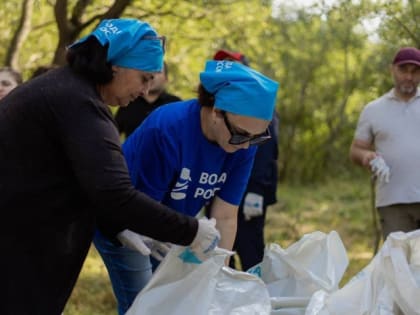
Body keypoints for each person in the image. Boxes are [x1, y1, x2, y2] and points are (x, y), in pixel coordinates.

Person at [0, 18, 220, 315]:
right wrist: (193, 231)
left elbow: (82, 178)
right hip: (19, 249)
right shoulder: (79, 103)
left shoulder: (65, 89)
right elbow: (115, 193)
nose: (145, 91)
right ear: (116, 64)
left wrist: (114, 226)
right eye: (144, 78)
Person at [93, 59, 280, 314]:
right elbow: (144, 212)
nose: (246, 146)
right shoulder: (167, 129)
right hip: (125, 225)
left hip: (171, 226)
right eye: (242, 135)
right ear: (215, 110)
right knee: (143, 301)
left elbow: (225, 215)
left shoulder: (243, 142)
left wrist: (220, 272)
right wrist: (182, 235)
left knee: (184, 298)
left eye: (257, 137)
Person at [211, 49, 279, 271]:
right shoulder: (215, 112)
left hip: (250, 189)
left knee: (249, 248)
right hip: (219, 187)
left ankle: (255, 296)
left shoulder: (258, 105)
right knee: (221, 248)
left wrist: (257, 190)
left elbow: (266, 151)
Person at [349, 46, 420, 241]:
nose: (409, 77)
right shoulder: (373, 110)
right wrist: (366, 156)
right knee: (399, 265)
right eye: (403, 70)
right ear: (392, 70)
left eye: (415, 71)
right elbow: (356, 149)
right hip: (392, 202)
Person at [115, 61, 182, 138]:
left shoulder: (175, 104)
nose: (153, 76)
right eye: (150, 71)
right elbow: (113, 132)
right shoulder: (129, 101)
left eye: (158, 72)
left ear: (166, 79)